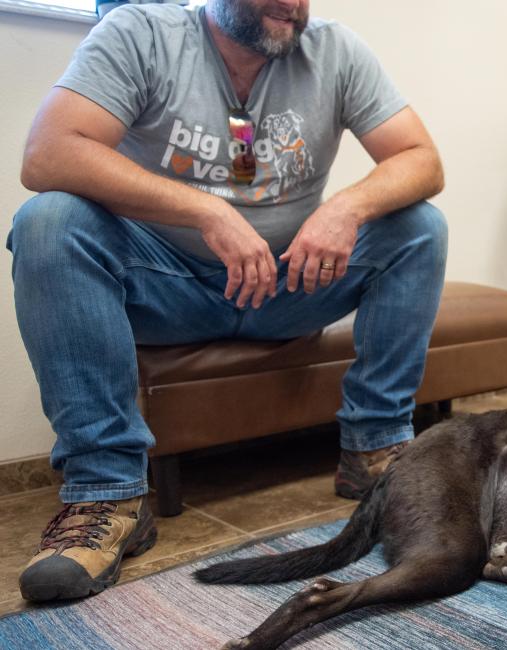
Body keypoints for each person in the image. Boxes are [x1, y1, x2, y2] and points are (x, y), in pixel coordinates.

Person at [7, 0, 448, 602]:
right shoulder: (142, 33)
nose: (291, 4)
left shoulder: (335, 48)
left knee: (420, 225)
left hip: (290, 285)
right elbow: (49, 153)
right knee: (48, 220)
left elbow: (420, 158)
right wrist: (205, 209)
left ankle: (374, 448)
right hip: (167, 283)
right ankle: (107, 496)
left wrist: (345, 208)